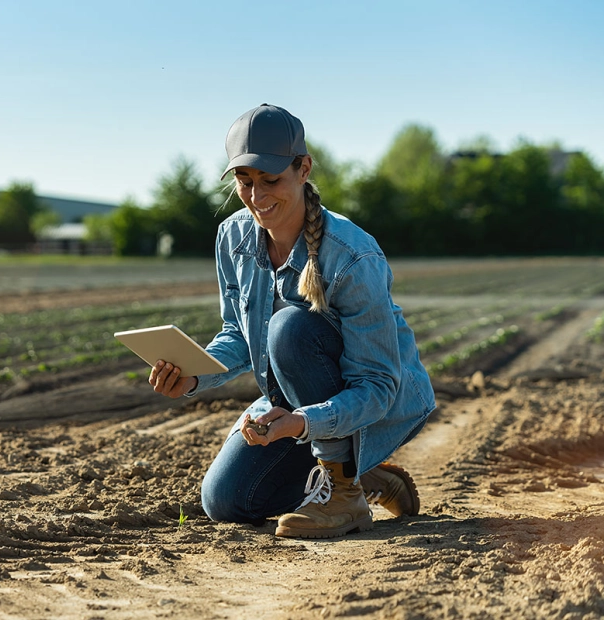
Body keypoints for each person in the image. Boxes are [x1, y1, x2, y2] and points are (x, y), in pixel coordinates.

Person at [148, 104, 436, 539]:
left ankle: (343, 491)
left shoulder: (353, 256)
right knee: (225, 501)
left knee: (288, 329)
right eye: (245, 182)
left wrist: (301, 422)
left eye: (270, 180)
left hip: (376, 404)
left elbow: (378, 385)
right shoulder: (232, 237)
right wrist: (192, 375)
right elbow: (239, 335)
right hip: (296, 401)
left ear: (303, 168)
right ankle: (365, 476)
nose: (257, 197)